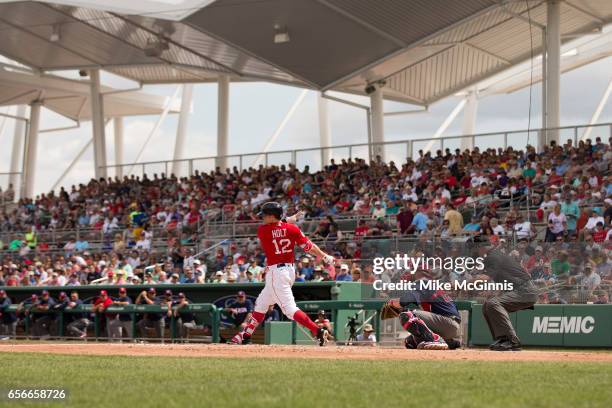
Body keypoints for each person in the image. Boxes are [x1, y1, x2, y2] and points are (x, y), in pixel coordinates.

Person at [230, 202, 335, 346]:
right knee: (261, 304)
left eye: (265, 215)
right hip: (289, 271)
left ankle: (317, 330)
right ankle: (246, 335)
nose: (262, 218)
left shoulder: (263, 230)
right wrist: (324, 256)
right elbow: (308, 246)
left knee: (290, 310)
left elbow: (276, 227)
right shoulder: (292, 229)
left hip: (276, 273)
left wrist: (288, 219)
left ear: (272, 216)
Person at [478, 246, 538, 351]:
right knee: (487, 305)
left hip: (525, 290)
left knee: (493, 304)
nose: (476, 250)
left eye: (477, 247)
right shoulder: (496, 256)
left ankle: (513, 341)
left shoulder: (493, 257)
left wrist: (460, 284)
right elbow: (506, 281)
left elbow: (485, 278)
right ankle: (502, 339)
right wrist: (493, 292)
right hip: (520, 290)